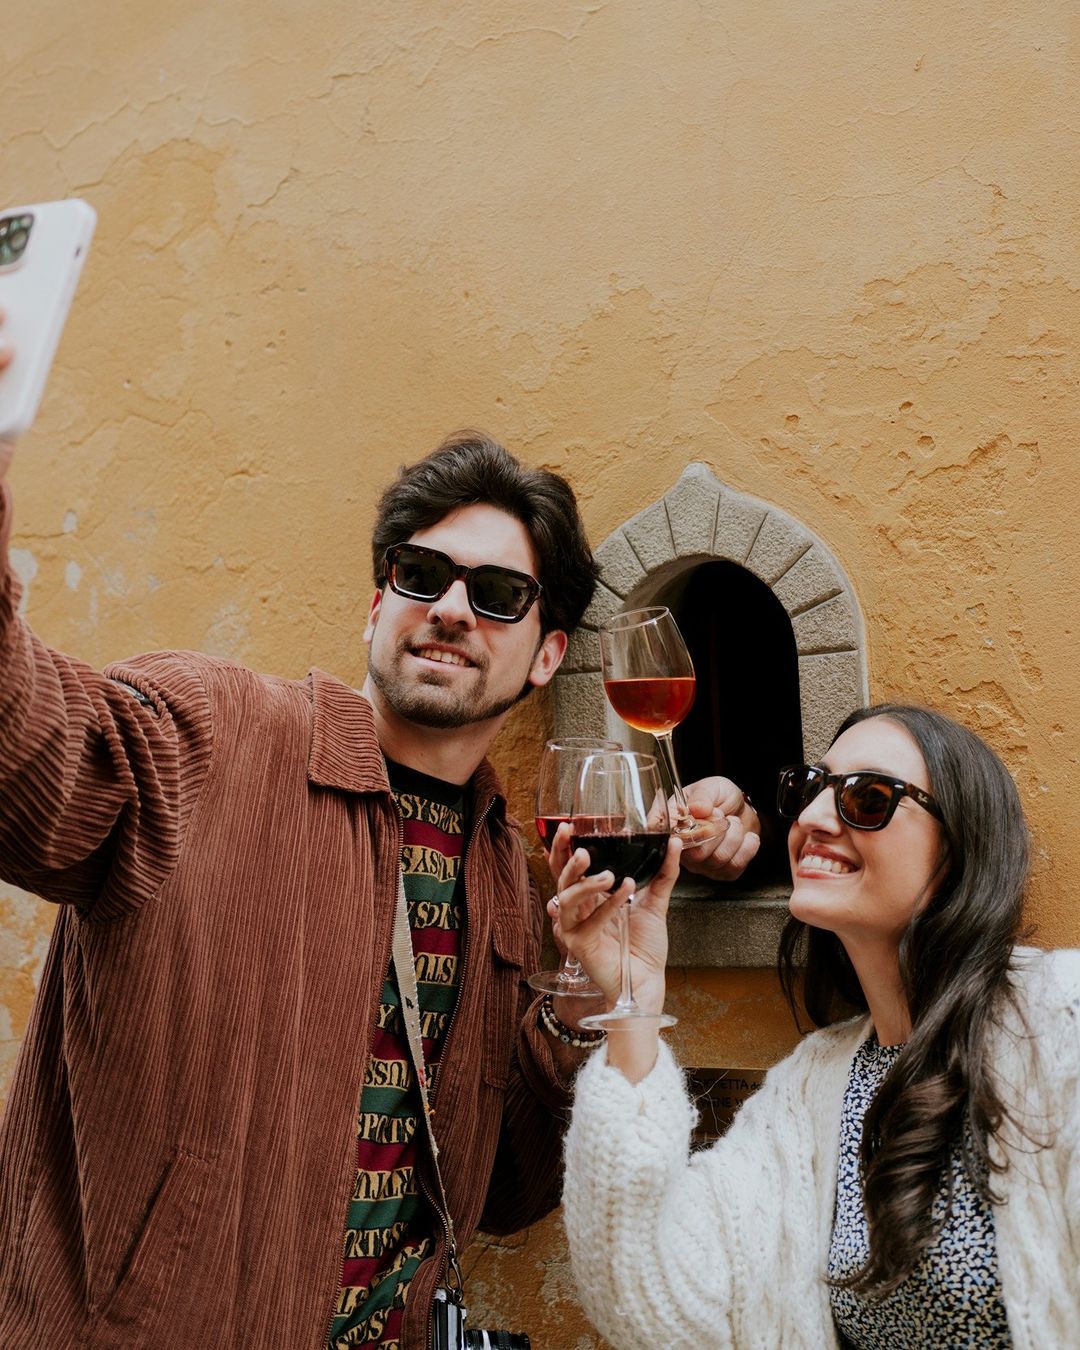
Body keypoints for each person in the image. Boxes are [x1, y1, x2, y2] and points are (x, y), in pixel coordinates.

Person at [0, 331, 759, 1347]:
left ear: (547, 658)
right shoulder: (210, 735)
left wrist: (590, 995)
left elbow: (503, 1189)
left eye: (497, 596)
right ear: (377, 604)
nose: (451, 609)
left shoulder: (503, 874)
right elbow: (28, 758)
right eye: (421, 574)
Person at [555, 703, 1080, 1349]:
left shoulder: (1062, 1020)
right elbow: (651, 1299)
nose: (811, 818)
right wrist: (632, 995)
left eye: (868, 797)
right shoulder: (810, 1089)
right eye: (810, 788)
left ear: (959, 848)